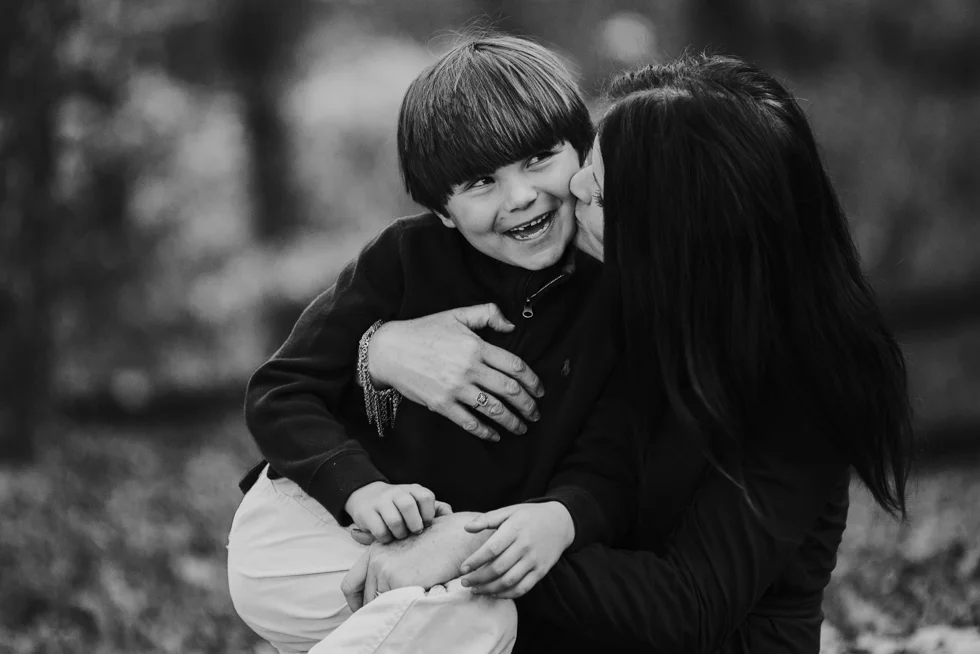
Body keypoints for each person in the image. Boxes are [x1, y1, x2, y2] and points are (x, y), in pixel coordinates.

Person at [339, 53, 914, 654]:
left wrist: (475, 547)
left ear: (674, 230)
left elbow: (688, 606)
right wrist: (378, 350)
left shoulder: (799, 390)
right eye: (590, 163)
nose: (574, 187)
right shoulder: (627, 304)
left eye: (601, 191)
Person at [226, 34, 643, 654]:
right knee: (480, 617)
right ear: (443, 211)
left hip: (440, 556)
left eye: (539, 158)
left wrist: (563, 515)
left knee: (475, 618)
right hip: (304, 525)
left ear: (583, 155)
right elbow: (281, 390)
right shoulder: (405, 258)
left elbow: (607, 462)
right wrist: (362, 490)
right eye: (481, 182)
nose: (520, 196)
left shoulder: (613, 295)